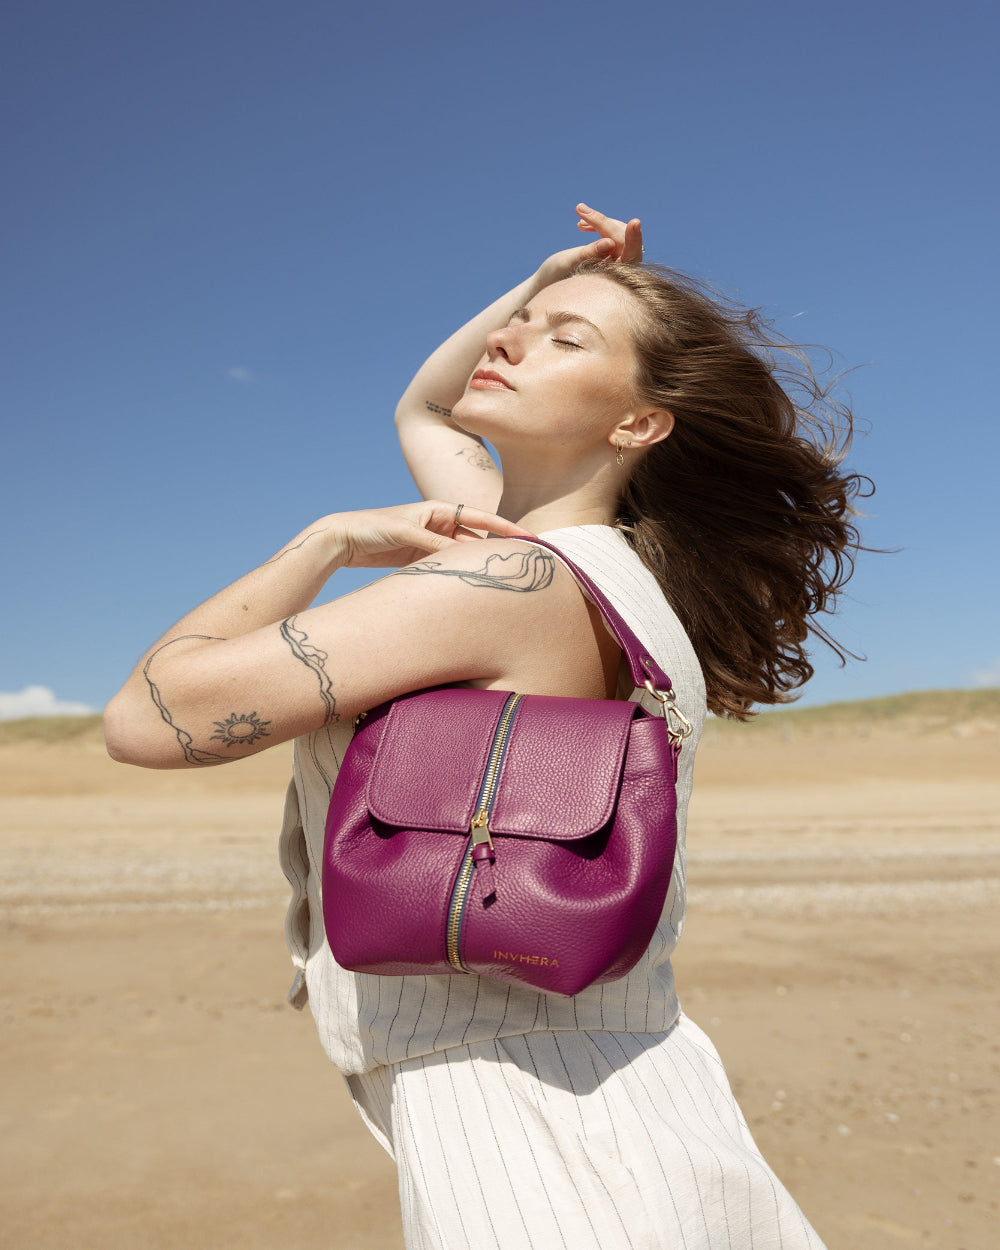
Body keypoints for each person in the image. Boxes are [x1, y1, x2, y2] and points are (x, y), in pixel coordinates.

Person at [106, 205, 864, 1248]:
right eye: (521, 327)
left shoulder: (504, 577)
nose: (512, 340)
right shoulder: (603, 565)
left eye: (565, 340)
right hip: (621, 1072)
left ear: (637, 423)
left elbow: (147, 716)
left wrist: (323, 539)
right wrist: (549, 285)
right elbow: (426, 412)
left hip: (527, 1111)